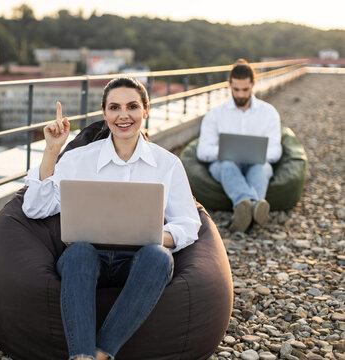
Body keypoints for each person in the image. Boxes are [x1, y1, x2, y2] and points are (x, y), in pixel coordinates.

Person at [22, 77, 201, 360]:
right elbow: (35, 208)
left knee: (160, 257)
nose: (123, 115)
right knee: (79, 251)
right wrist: (52, 150)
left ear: (146, 110)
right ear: (104, 114)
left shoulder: (168, 164)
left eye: (132, 106)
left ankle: (101, 353)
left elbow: (189, 224)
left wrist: (155, 234)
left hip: (139, 261)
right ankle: (81, 356)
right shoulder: (78, 159)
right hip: (87, 258)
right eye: (114, 107)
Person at [197, 59, 282, 232]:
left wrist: (255, 154)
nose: (241, 94)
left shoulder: (269, 112)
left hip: (257, 163)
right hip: (223, 164)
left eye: (245, 89)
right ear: (229, 85)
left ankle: (244, 211)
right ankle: (255, 205)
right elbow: (202, 151)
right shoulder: (215, 114)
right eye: (236, 90)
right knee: (228, 164)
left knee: (262, 167)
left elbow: (276, 150)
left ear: (253, 84)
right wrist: (227, 152)